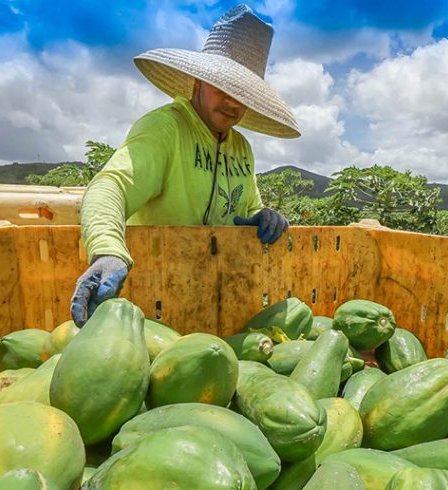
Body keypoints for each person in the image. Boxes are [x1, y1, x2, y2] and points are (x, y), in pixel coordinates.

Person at [71, 4, 300, 326]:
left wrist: (262, 217)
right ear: (197, 83)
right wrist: (107, 250)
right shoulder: (166, 128)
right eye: (223, 87)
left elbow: (246, 210)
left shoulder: (241, 148)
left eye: (243, 95)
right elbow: (111, 186)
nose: (233, 103)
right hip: (155, 297)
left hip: (217, 298)